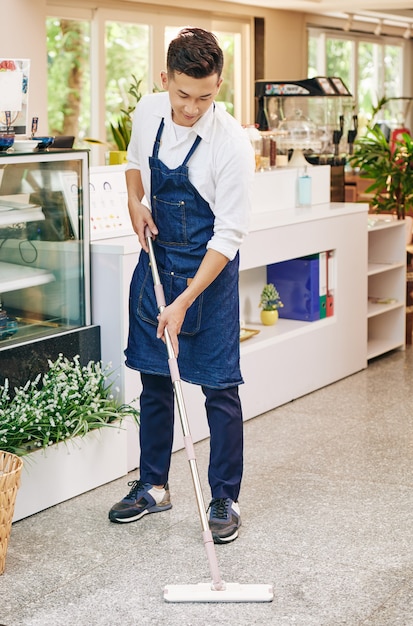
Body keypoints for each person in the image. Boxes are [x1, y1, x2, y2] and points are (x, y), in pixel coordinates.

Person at [108, 27, 254, 544]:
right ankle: (153, 487)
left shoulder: (231, 144)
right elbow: (132, 162)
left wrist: (185, 300)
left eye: (206, 96)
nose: (193, 108)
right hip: (158, 259)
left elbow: (229, 234)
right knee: (154, 378)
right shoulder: (149, 111)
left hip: (207, 274)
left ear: (219, 86)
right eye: (184, 95)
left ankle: (225, 497)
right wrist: (134, 201)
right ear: (166, 79)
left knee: (219, 386)